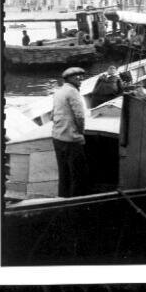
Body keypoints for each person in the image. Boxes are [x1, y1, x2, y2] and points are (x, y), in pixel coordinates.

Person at [52, 66, 89, 198]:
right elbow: (80, 116)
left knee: (64, 173)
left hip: (57, 138)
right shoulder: (73, 92)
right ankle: (76, 203)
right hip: (71, 140)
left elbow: (52, 115)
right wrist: (81, 134)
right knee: (78, 174)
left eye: (81, 77)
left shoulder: (59, 91)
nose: (81, 79)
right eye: (77, 77)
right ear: (69, 79)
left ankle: (63, 198)